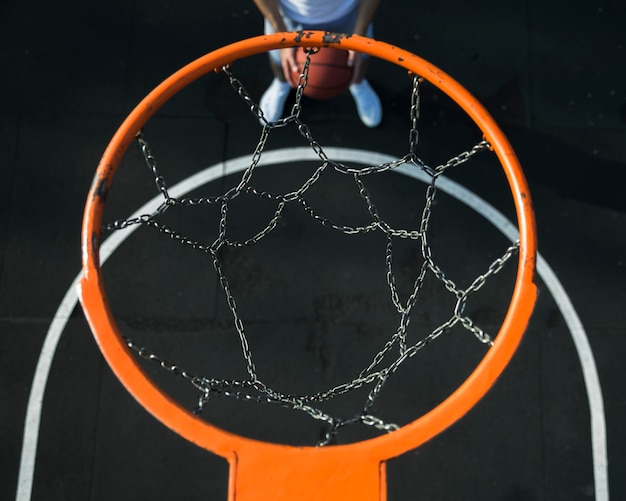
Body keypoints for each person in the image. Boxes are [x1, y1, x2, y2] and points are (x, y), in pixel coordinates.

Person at [253, 0, 383, 128]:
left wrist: (359, 33)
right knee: (280, 59)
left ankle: (358, 84)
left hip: (349, 12)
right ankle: (282, 83)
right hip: (286, 14)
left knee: (359, 57)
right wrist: (281, 33)